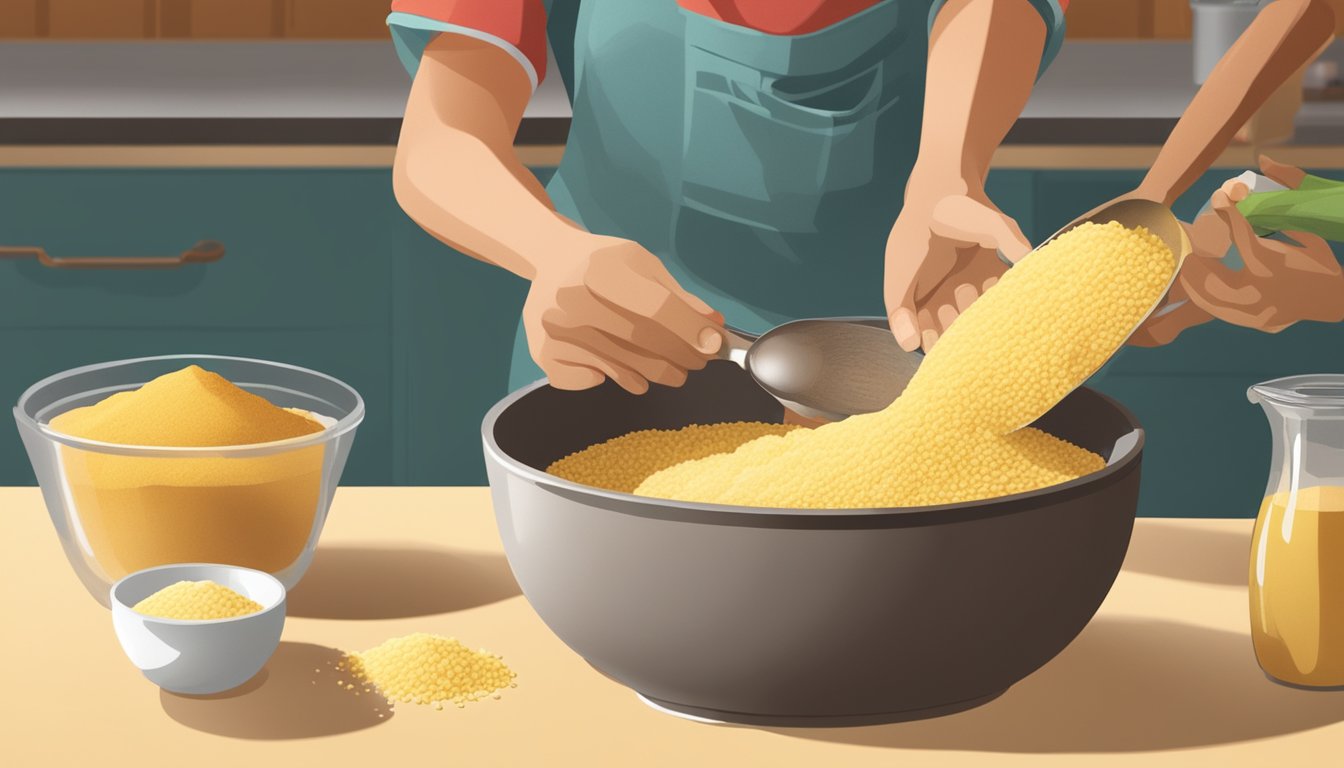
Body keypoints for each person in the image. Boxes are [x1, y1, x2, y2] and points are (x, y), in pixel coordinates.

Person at [388, 0, 1067, 394]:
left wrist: (950, 174)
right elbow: (439, 136)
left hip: (903, 357)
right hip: (616, 345)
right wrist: (550, 250)